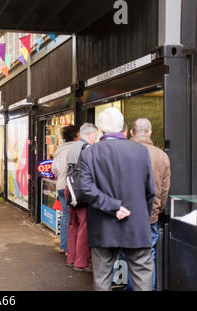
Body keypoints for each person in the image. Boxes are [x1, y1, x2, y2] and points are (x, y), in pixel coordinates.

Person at [79, 107, 156, 291]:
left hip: (103, 227)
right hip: (136, 225)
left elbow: (86, 188)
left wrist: (113, 207)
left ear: (102, 129)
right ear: (123, 127)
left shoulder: (90, 152)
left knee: (102, 280)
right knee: (142, 278)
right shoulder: (141, 152)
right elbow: (149, 191)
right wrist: (140, 215)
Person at [119, 118, 170, 291]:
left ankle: (128, 285)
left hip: (124, 214)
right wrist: (157, 211)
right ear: (149, 132)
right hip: (149, 217)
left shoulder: (122, 152)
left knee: (126, 254)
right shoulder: (162, 156)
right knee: (147, 258)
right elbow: (163, 191)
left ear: (131, 132)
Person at [66, 123, 98, 272]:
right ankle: (80, 262)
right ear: (90, 135)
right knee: (84, 226)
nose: (95, 139)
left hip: (71, 189)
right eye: (95, 136)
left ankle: (71, 258)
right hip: (82, 191)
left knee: (73, 225)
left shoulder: (72, 147)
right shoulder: (88, 149)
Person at [52, 125, 80, 255]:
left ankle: (64, 246)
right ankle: (71, 248)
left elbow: (54, 169)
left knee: (65, 215)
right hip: (71, 186)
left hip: (60, 185)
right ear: (75, 136)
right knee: (73, 217)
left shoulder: (59, 150)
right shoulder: (77, 148)